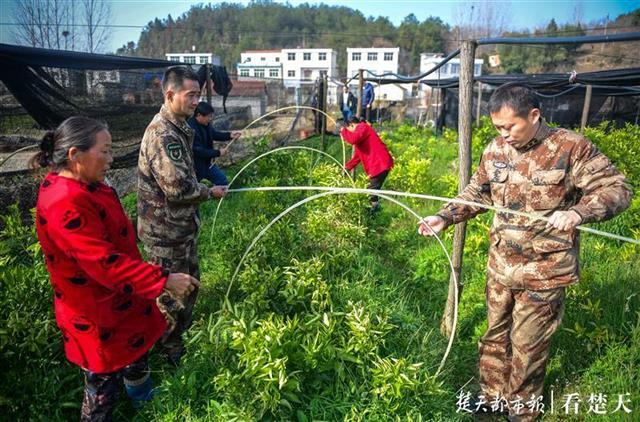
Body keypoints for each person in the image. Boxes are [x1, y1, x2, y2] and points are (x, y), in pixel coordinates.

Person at [418, 83, 632, 421]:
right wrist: (444, 216)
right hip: (501, 266)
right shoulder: (496, 151)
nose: (504, 135)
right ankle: (491, 399)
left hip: (545, 271)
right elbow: (479, 192)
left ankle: (521, 411)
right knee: (494, 336)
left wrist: (579, 212)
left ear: (534, 115)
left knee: (528, 346)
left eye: (510, 127)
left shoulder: (570, 148)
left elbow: (618, 188)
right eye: (498, 128)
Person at [32, 116, 199, 420]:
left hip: (120, 296)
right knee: (102, 383)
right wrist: (163, 279)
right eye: (105, 151)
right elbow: (103, 263)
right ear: (75, 155)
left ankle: (144, 401)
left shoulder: (87, 184)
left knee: (136, 351)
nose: (110, 159)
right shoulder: (63, 200)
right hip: (96, 310)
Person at [137, 66, 227, 366]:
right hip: (166, 233)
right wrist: (208, 192)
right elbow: (176, 188)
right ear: (170, 94)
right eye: (190, 95)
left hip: (180, 229)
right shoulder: (163, 135)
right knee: (169, 298)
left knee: (187, 287)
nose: (194, 101)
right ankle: (167, 353)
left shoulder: (179, 128)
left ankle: (177, 341)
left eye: (197, 95)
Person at [340, 116, 394, 212]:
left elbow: (353, 140)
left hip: (380, 164)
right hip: (379, 165)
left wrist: (343, 131)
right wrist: (347, 167)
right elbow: (357, 156)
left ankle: (373, 212)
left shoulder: (362, 127)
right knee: (372, 191)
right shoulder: (362, 133)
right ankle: (375, 211)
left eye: (349, 130)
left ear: (351, 125)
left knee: (370, 192)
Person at [187, 101, 241, 186]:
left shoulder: (205, 124)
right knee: (193, 189)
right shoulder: (191, 129)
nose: (210, 118)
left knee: (222, 181)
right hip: (194, 166)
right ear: (199, 115)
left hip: (206, 164)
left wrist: (230, 135)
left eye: (211, 116)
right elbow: (198, 151)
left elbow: (214, 134)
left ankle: (219, 196)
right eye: (208, 116)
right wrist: (218, 152)